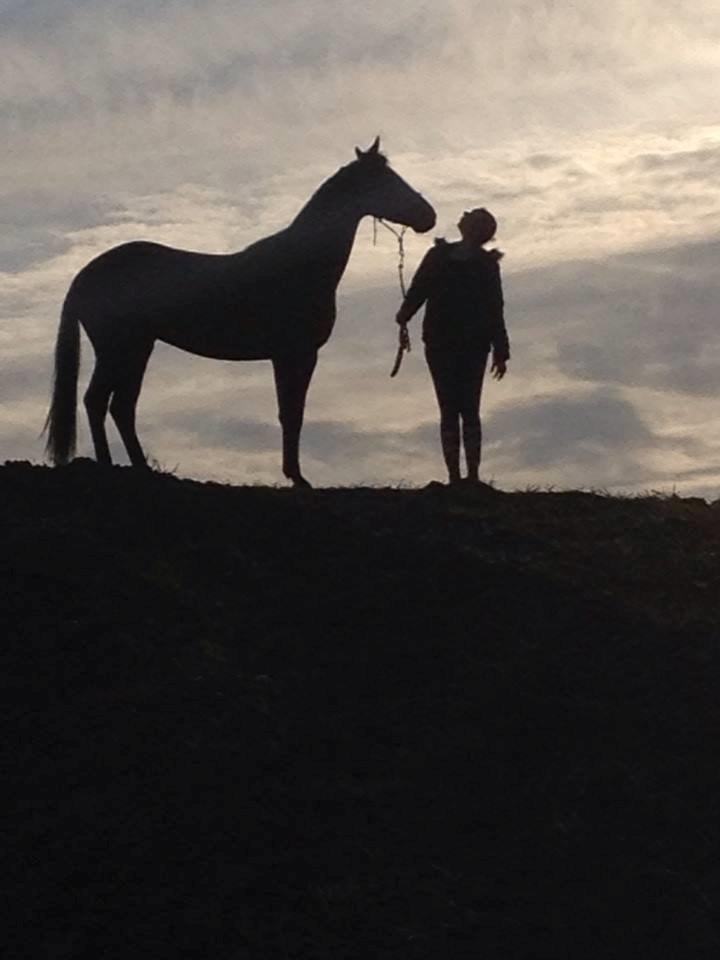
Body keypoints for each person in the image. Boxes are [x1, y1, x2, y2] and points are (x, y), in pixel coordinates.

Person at [395, 207, 510, 486]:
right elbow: (420, 288)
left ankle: (467, 476)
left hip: (463, 342)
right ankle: (458, 477)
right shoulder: (450, 258)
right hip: (445, 340)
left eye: (471, 216)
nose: (464, 215)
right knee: (453, 408)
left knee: (465, 408)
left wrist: (500, 349)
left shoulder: (456, 259)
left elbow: (495, 307)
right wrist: (406, 313)